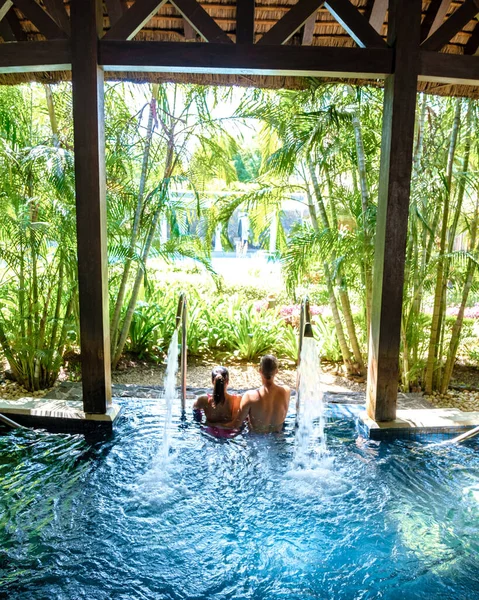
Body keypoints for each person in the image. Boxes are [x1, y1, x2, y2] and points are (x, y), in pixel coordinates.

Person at [225, 355, 290, 433]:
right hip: (278, 439)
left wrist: (213, 424)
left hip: (256, 440)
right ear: (276, 371)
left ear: (260, 370)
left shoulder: (249, 396)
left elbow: (235, 425)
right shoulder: (286, 391)